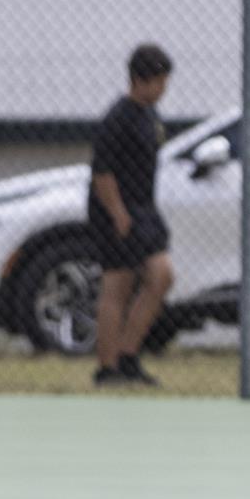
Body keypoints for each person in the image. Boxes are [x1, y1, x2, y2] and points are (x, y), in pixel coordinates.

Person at [89, 43, 175, 387]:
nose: (164, 89)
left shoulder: (150, 116)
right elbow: (102, 173)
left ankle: (128, 355)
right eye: (159, 81)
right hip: (117, 210)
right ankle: (107, 369)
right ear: (140, 80)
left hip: (144, 208)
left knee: (161, 277)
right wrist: (117, 213)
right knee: (118, 286)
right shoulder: (118, 119)